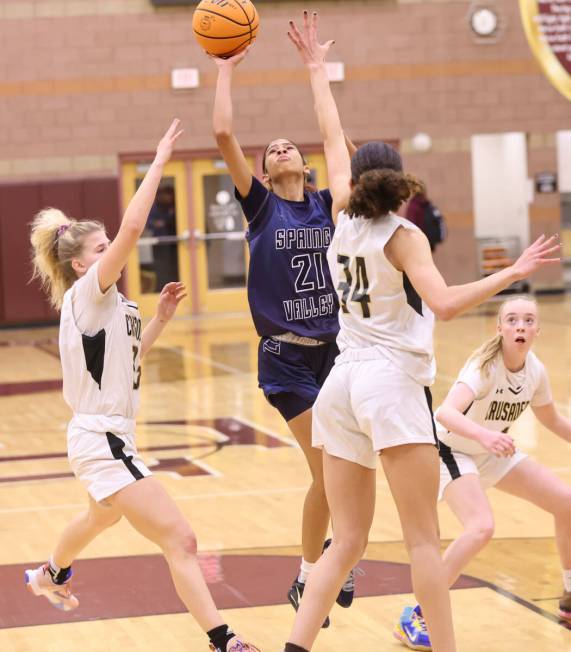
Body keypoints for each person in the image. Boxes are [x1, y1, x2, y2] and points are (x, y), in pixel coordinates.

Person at [283, 12, 560, 652]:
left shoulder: (340, 222)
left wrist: (317, 71)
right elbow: (444, 305)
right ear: (401, 186)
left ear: (356, 182)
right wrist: (510, 273)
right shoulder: (401, 235)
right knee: (422, 542)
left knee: (346, 540)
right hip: (388, 384)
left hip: (340, 386)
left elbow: (329, 135)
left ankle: (296, 646)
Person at [26, 120, 259, 652]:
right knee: (181, 538)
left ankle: (51, 574)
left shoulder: (111, 305)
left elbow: (128, 361)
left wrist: (159, 321)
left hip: (105, 435)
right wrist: (158, 161)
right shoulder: (89, 291)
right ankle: (223, 640)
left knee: (98, 516)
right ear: (83, 261)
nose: (114, 250)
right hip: (101, 437)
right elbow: (132, 230)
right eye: (103, 246)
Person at [209, 46, 356, 623]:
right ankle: (320, 569)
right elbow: (223, 133)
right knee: (328, 469)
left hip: (337, 355)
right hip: (287, 361)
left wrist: (317, 73)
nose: (279, 148)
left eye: (286, 144)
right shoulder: (263, 209)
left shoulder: (327, 205)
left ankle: (305, 574)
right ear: (264, 173)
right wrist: (224, 68)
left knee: (336, 471)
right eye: (270, 151)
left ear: (305, 164)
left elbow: (336, 139)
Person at [394, 295, 571, 650]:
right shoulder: (484, 365)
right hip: (451, 448)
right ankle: (420, 613)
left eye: (528, 320)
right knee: (481, 527)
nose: (520, 326)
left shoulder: (534, 370)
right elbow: (445, 413)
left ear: (537, 329)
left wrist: (490, 440)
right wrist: (486, 436)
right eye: (512, 320)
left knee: (566, 502)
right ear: (500, 327)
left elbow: (550, 418)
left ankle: (570, 595)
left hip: (491, 449)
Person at [405, 184, 446, 253]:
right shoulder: (427, 204)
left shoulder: (413, 206)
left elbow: (411, 225)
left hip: (418, 243)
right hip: (429, 242)